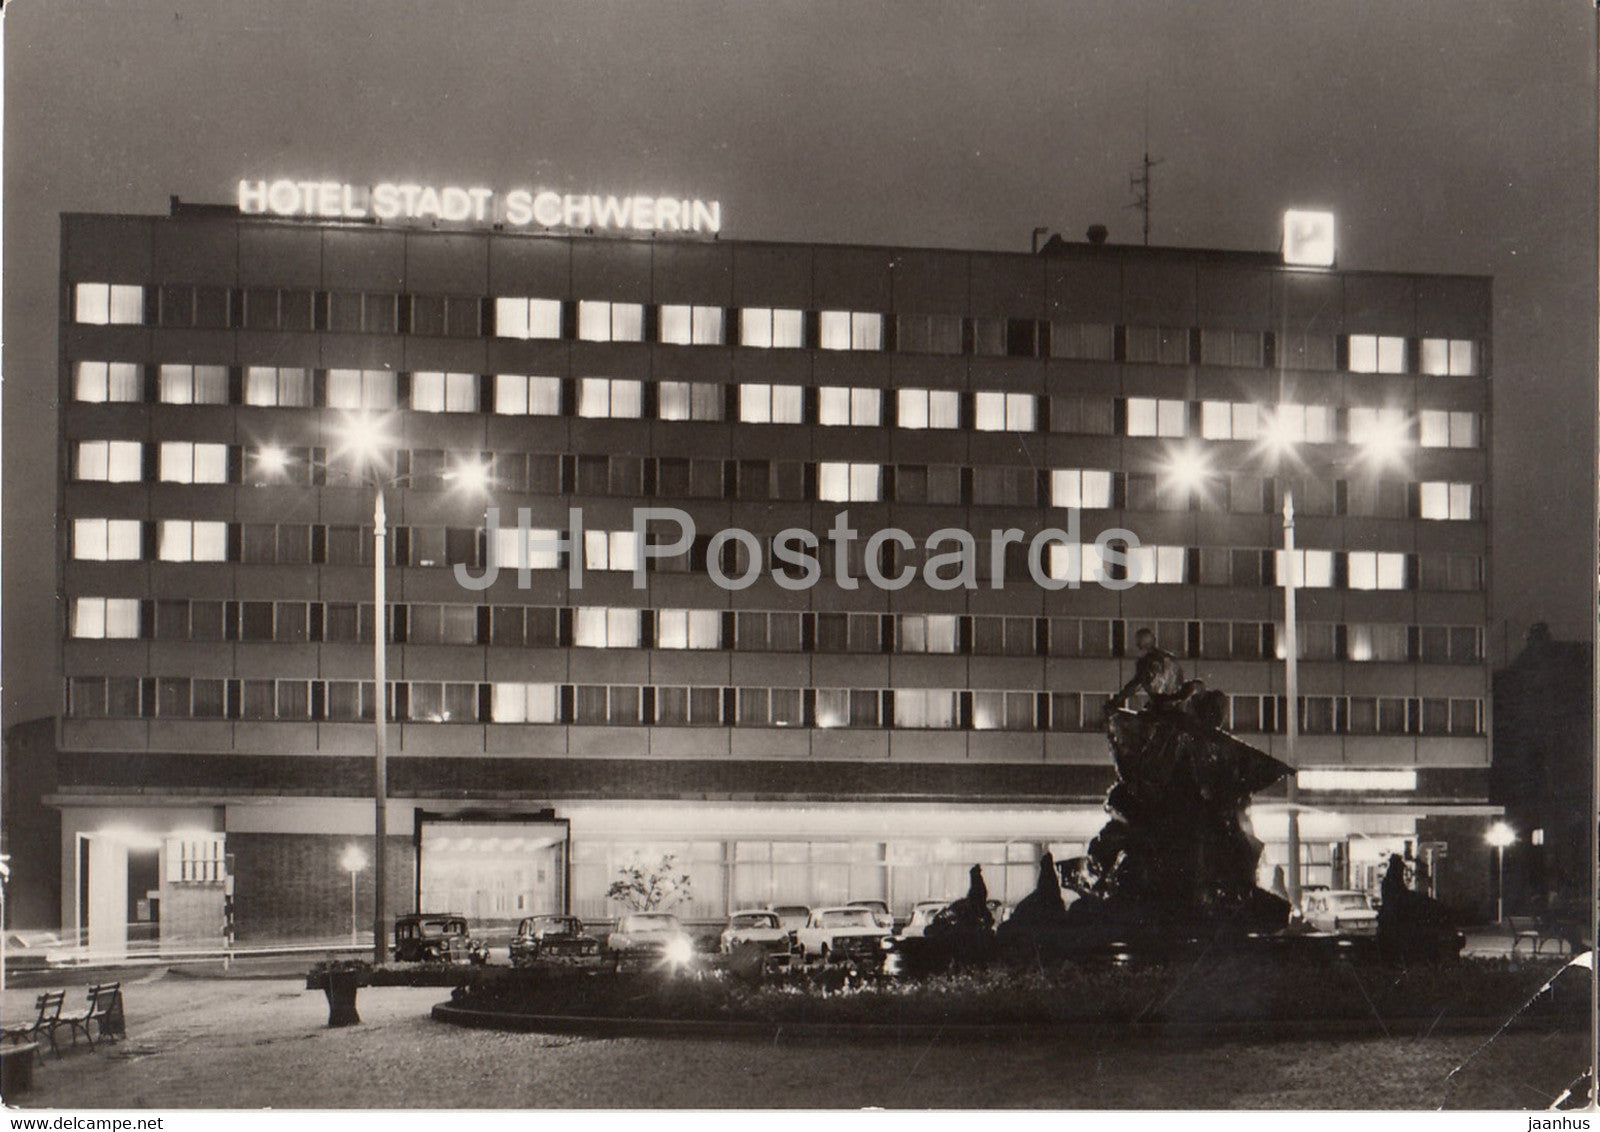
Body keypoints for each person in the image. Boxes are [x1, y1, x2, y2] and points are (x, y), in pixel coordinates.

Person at [1107, 628, 1187, 712]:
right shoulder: (1171, 658)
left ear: (1139, 644)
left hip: (1159, 706)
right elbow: (1180, 678)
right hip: (1177, 706)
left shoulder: (1145, 661)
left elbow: (1136, 685)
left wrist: (1115, 701)